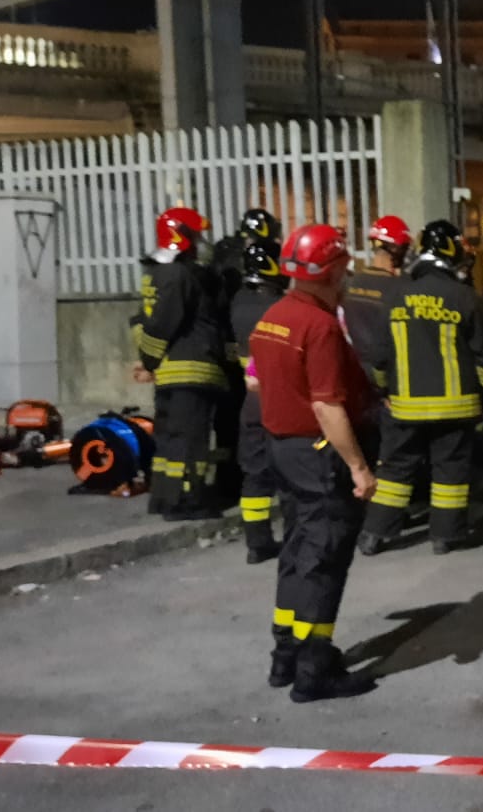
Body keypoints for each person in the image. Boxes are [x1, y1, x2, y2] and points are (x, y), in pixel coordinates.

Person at [248, 223, 378, 703]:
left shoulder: (273, 317)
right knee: (325, 561)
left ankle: (285, 654)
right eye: (343, 265)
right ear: (334, 269)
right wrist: (360, 468)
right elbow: (327, 406)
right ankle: (314, 669)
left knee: (298, 552)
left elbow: (260, 383)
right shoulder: (320, 326)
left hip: (283, 450)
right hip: (319, 454)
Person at [357, 220, 483, 556]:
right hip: (457, 407)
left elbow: (379, 355)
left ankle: (374, 534)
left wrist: (384, 393)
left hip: (404, 406)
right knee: (449, 470)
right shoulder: (465, 297)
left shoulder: (394, 294)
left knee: (394, 469)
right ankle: (445, 537)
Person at [131, 207, 230, 521]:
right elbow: (164, 323)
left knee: (169, 438)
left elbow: (143, 321)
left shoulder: (157, 274)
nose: (202, 242)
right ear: (181, 237)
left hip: (170, 371)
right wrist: (149, 359)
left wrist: (148, 360)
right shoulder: (180, 275)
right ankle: (186, 501)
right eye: (196, 235)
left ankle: (163, 495)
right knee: (190, 442)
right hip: (192, 368)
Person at [230, 238, 290, 563]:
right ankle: (296, 537)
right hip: (281, 398)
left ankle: (257, 543)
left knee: (255, 475)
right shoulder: (281, 306)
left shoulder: (238, 303)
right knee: (293, 471)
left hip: (251, 399)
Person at [343, 215, 414, 393]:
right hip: (390, 374)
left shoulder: (351, 284)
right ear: (396, 248)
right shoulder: (401, 288)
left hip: (356, 371)